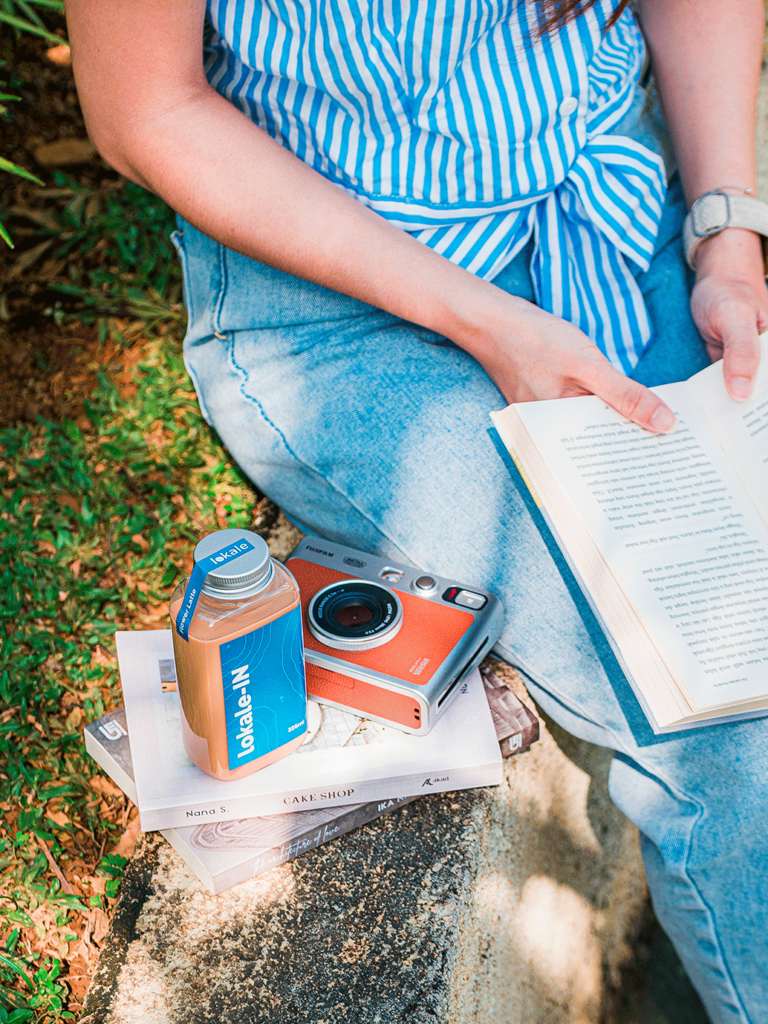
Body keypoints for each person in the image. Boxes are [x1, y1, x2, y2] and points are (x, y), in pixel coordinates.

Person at [64, 0, 768, 1020]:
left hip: (610, 221)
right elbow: (146, 110)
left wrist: (724, 233)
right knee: (722, 718)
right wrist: (483, 321)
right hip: (346, 307)